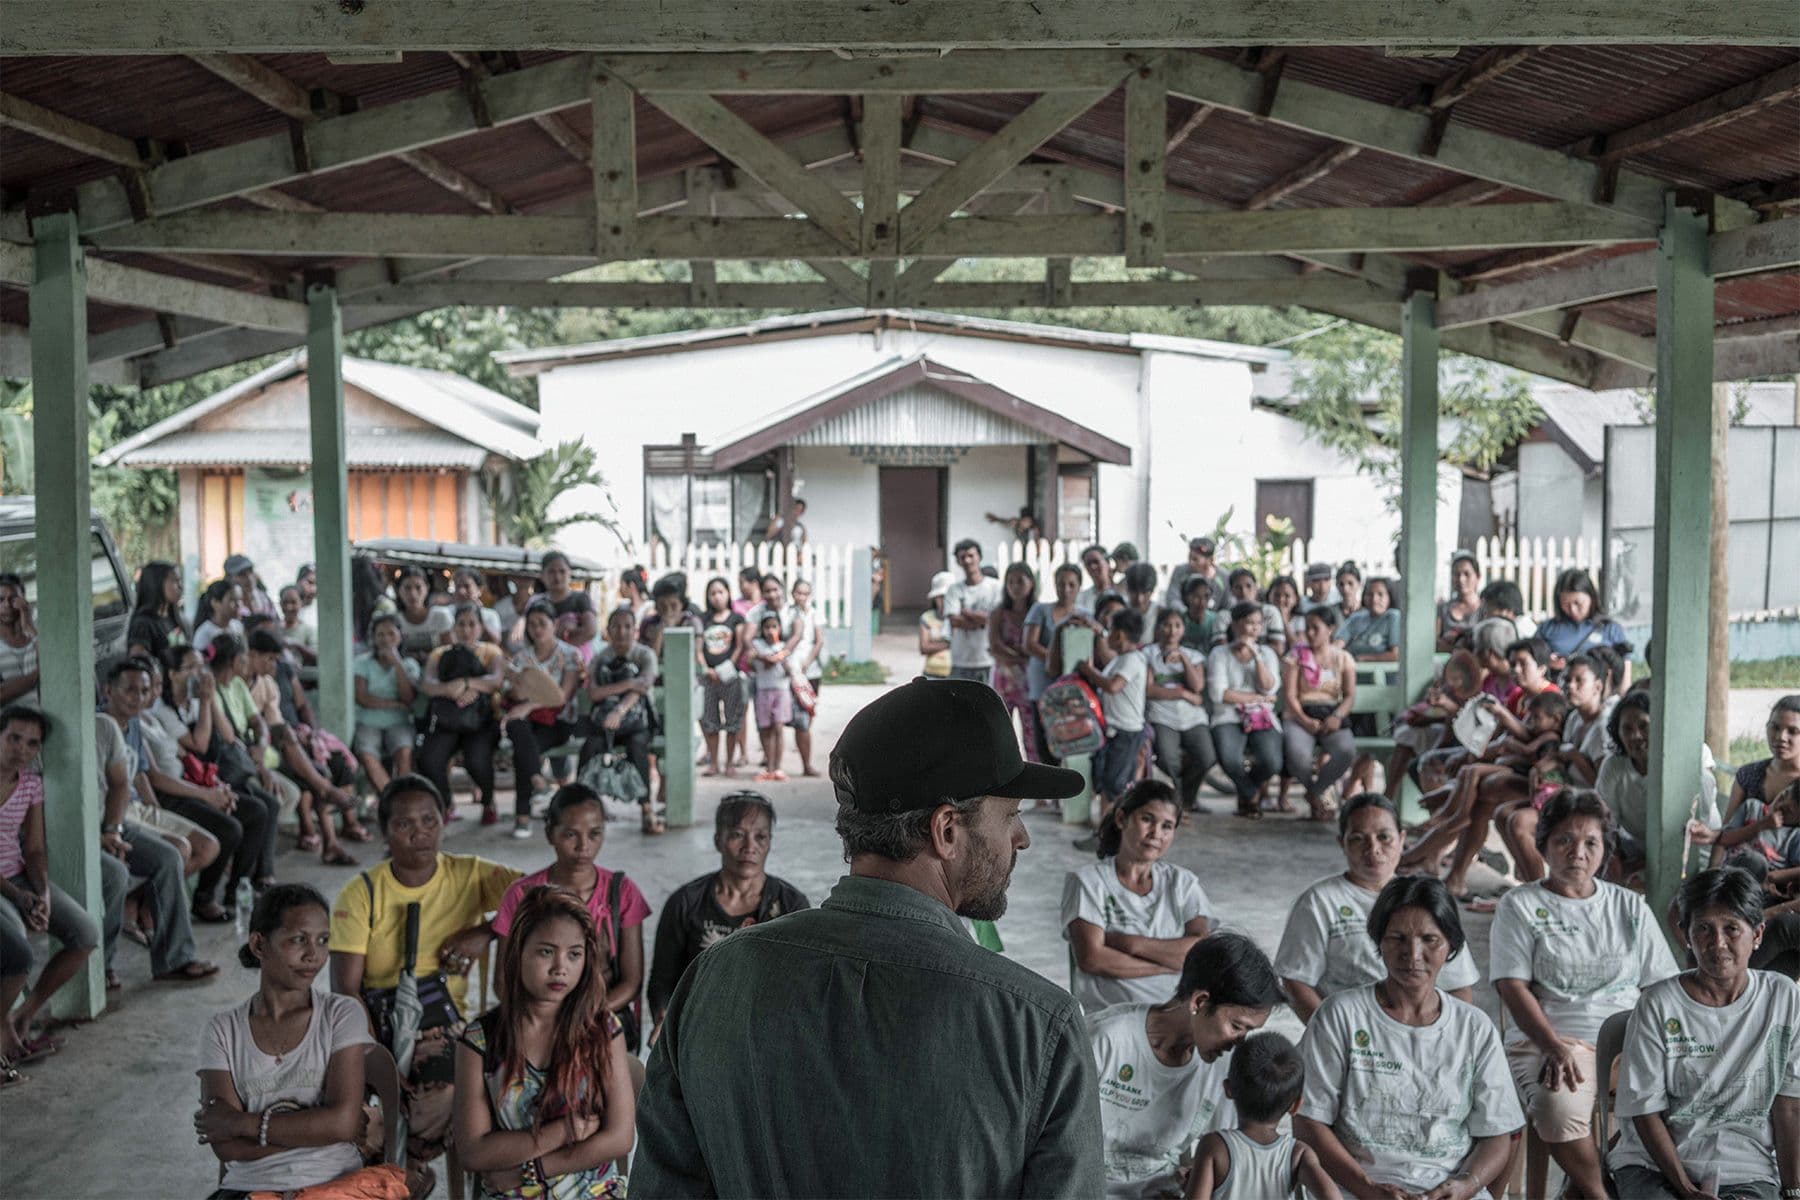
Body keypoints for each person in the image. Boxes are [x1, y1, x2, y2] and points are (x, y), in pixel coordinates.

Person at [632, 677, 1098, 1197]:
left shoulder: (713, 981)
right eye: (1010, 815)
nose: (1022, 837)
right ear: (946, 831)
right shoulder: (1038, 1027)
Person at [1490, 789, 1679, 1200]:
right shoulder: (1520, 905)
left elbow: (1661, 988)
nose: (1577, 852)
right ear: (1543, 845)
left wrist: (1647, 1049)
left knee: (1682, 1105)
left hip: (1629, 1045)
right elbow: (1511, 986)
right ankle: (1600, 1194)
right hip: (1554, 1041)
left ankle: (1576, 1190)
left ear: (1605, 850)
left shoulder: (1630, 907)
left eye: (1590, 842)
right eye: (1564, 841)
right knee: (1558, 1107)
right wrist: (1552, 1046)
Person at [329, 775, 522, 1162]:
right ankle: (400, 1158)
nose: (420, 833)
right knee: (350, 1108)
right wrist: (375, 1057)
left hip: (445, 1027)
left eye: (429, 820)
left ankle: (403, 1161)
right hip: (376, 1024)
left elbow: (537, 895)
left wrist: (486, 930)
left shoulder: (469, 874)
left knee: (459, 1093)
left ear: (444, 821)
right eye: (404, 824)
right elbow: (346, 991)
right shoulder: (363, 891)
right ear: (385, 832)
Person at [1296, 875, 1524, 1198]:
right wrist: (1368, 1188)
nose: (1412, 954)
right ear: (1378, 942)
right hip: (1351, 1187)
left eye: (1430, 939)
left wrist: (1467, 1185)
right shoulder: (1340, 1016)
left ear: (1451, 946)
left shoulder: (1475, 1028)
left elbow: (1498, 1133)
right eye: (1397, 938)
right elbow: (1308, 1123)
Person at [195, 884, 410, 1200]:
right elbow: (225, 1144)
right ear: (258, 944)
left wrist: (242, 1123)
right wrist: (323, 1129)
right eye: (298, 940)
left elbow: (343, 1121)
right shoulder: (222, 1031)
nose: (314, 955)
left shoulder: (340, 1014)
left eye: (323, 941)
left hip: (336, 1184)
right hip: (250, 1187)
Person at [1609, 867, 1800, 1198]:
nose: (1718, 944)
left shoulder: (1782, 997)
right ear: (1686, 935)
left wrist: (1794, 1190)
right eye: (1704, 930)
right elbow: (1645, 1111)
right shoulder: (1659, 1004)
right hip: (1654, 1166)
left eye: (1732, 929)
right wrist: (1686, 1189)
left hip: (1746, 1168)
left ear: (1757, 935)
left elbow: (1790, 1106)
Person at [454, 886, 635, 1200]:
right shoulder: (480, 1040)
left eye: (574, 954)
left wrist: (532, 1169)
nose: (560, 967)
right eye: (546, 951)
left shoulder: (603, 1031)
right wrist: (564, 1132)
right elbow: (473, 1151)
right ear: (518, 952)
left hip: (592, 1193)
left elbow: (619, 1138)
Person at [1086, 934, 1285, 1199]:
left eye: (1248, 1032)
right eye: (1236, 1026)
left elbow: (1216, 1154)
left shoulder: (1222, 1067)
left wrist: (1194, 1173)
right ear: (1199, 1002)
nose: (1239, 1042)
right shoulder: (1106, 1040)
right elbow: (1053, 1144)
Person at [1275, 794, 1480, 1022]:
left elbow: (1459, 986)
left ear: (1402, 840)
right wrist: (1334, 1035)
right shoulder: (1320, 902)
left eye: (1384, 837)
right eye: (1358, 838)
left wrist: (1440, 1038)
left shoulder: (1428, 900)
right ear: (1341, 843)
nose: (1373, 848)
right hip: (1352, 1032)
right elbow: (1295, 980)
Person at [647, 791, 809, 1044]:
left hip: (763, 1036)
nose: (749, 847)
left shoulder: (791, 905)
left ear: (770, 842)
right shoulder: (686, 902)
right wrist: (664, 1018)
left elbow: (800, 987)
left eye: (760, 837)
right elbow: (663, 981)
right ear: (717, 840)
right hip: (696, 1029)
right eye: (736, 835)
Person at [93, 674, 220, 985]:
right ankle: (103, 968)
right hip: (92, 824)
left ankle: (173, 958)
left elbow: (127, 782)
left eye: (144, 690)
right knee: (116, 874)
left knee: (170, 855)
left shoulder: (118, 726)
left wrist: (116, 827)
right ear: (108, 690)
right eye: (130, 689)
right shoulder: (90, 724)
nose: (138, 697)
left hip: (119, 816)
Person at [0, 707, 101, 1077]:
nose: (21, 750)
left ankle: (24, 1015)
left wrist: (41, 894)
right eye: (13, 738)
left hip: (20, 879)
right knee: (18, 955)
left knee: (85, 934)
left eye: (32, 744)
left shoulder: (30, 784)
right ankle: (2, 1031)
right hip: (5, 889)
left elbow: (35, 849)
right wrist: (17, 896)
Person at [1063, 779, 1212, 1013]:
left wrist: (1129, 944)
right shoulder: (1088, 881)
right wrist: (1171, 965)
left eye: (1167, 826)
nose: (1156, 833)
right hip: (1110, 1017)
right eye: (1147, 819)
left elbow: (1203, 954)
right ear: (1122, 819)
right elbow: (1092, 958)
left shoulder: (1183, 883)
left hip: (1173, 1018)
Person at [1186, 1031, 1342, 1200]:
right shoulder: (1298, 1154)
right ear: (1296, 1105)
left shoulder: (1213, 1146)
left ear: (1228, 1089)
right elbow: (1332, 1196)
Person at [417, 603, 507, 825]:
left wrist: (468, 685)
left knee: (477, 760)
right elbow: (428, 684)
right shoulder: (440, 653)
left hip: (481, 721)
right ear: (454, 627)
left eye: (472, 624)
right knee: (430, 759)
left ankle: (488, 801)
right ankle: (445, 804)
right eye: (461, 624)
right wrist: (449, 690)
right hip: (448, 719)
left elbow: (496, 681)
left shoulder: (491, 651)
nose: (466, 630)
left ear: (480, 626)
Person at [501, 600, 583, 839]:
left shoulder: (569, 654)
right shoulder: (521, 658)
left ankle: (523, 816)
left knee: (524, 747)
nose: (537, 629)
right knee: (519, 729)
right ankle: (537, 780)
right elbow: (514, 693)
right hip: (529, 722)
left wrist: (529, 704)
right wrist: (519, 694)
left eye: (542, 623)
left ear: (555, 624)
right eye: (532, 624)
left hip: (560, 721)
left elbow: (562, 697)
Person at [580, 606, 663, 834]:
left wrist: (620, 710)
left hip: (638, 720)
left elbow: (643, 686)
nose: (622, 632)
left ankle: (647, 808)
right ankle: (586, 808)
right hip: (604, 721)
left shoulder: (645, 655)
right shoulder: (601, 657)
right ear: (608, 630)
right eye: (616, 626)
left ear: (635, 630)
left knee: (638, 746)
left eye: (627, 626)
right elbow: (594, 694)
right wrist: (627, 684)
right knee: (590, 748)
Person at [1705, 694, 1800, 873]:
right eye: (1775, 727)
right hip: (1736, 874)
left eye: (1793, 731)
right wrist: (1712, 873)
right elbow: (1724, 835)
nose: (1781, 737)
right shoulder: (1750, 775)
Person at [1208, 602, 1283, 820]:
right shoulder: (1219, 654)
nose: (1253, 628)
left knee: (1272, 761)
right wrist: (1258, 698)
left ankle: (1246, 796)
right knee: (1229, 758)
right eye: (1248, 623)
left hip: (1261, 716)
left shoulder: (1267, 653)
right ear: (1235, 624)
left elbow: (1269, 685)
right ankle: (1250, 795)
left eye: (1258, 624)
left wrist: (1256, 656)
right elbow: (1219, 694)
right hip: (1228, 715)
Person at [1282, 607, 1357, 822]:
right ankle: (1314, 793)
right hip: (1300, 714)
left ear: (1331, 629)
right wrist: (1304, 720)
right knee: (1298, 755)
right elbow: (1290, 695)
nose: (1310, 633)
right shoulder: (1295, 657)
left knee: (1346, 751)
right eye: (1307, 628)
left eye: (1316, 628)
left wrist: (1337, 716)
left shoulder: (1343, 658)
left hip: (1331, 712)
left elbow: (1350, 696)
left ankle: (1315, 792)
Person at [1078, 609, 1150, 827]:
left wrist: (1088, 671)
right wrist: (1098, 631)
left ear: (1119, 636)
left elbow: (1112, 686)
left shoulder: (1132, 660)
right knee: (1111, 781)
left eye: (1110, 631)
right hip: (1117, 731)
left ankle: (1108, 831)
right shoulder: (1122, 659)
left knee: (1114, 784)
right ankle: (1106, 830)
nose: (1107, 636)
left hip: (1125, 732)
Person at [1145, 606, 1214, 814]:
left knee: (1206, 757)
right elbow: (1149, 689)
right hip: (1162, 716)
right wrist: (1182, 694)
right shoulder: (1148, 653)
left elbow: (1198, 686)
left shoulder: (1193, 655)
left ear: (1183, 629)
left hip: (1192, 718)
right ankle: (1178, 799)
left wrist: (1183, 659)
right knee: (1167, 759)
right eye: (1167, 625)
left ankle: (1186, 799)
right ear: (1158, 628)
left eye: (1177, 625)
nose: (1172, 630)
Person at [352, 612, 419, 795]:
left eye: (391, 634)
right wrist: (394, 705)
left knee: (404, 751)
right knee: (366, 754)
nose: (386, 639)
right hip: (368, 721)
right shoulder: (362, 663)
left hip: (399, 722)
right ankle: (390, 797)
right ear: (373, 637)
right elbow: (362, 698)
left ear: (400, 636)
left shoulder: (409, 664)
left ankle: (402, 797)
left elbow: (408, 698)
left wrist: (397, 664)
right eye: (380, 634)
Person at [697, 576, 748, 776]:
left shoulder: (736, 619)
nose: (717, 597)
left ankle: (729, 763)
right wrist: (706, 668)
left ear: (728, 594)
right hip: (708, 677)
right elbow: (698, 648)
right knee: (709, 720)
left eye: (720, 592)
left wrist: (728, 666)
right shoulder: (703, 620)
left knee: (732, 720)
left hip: (729, 676)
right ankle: (713, 763)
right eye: (712, 593)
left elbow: (740, 645)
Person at [1535, 567, 1630, 675]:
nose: (1573, 610)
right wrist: (1547, 662)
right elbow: (1532, 661)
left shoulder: (1610, 629)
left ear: (1592, 597)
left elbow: (1625, 673)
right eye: (1566, 604)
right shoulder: (1547, 629)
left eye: (1578, 603)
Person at [990, 563, 1040, 760]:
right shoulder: (999, 613)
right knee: (1003, 732)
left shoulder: (1038, 612)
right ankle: (1007, 776)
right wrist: (1022, 655)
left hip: (1030, 681)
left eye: (1020, 581)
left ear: (1031, 583)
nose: (1015, 586)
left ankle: (1035, 777)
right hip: (1004, 681)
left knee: (1031, 733)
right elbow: (995, 647)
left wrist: (1013, 652)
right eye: (1010, 581)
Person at [944, 538, 1004, 684]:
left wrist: (968, 614)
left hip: (987, 659)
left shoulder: (995, 587)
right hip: (960, 660)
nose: (967, 560)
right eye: (962, 557)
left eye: (971, 556)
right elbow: (954, 621)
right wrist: (982, 621)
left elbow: (995, 619)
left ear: (979, 557)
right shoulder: (954, 590)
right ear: (958, 561)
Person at [749, 612, 792, 784]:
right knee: (766, 729)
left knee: (779, 727)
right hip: (763, 690)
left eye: (774, 626)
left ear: (779, 628)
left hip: (781, 690)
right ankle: (770, 765)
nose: (770, 631)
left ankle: (778, 767)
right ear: (762, 629)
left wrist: (781, 658)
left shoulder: (783, 647)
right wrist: (764, 657)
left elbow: (789, 670)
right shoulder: (757, 646)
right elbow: (754, 664)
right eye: (767, 627)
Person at [127, 560, 189, 660]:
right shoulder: (143, 623)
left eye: (180, 580)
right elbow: (138, 660)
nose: (180, 586)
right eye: (175, 581)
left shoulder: (173, 617)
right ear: (156, 584)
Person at [392, 566, 453, 666]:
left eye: (418, 587)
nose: (413, 594)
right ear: (399, 590)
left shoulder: (441, 615)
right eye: (407, 588)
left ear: (427, 588)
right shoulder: (394, 620)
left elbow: (450, 651)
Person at [1337, 575, 1399, 662]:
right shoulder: (1356, 618)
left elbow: (1396, 655)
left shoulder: (1393, 617)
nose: (1374, 599)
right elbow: (1337, 644)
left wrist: (1364, 658)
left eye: (1380, 594)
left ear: (1389, 597)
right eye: (1370, 594)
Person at [0, 575, 39, 707]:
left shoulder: (35, 637)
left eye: (13, 599)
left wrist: (29, 626)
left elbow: (57, 668)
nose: (7, 605)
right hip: (10, 725)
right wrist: (40, 673)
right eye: (0, 600)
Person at [1437, 550, 1483, 651]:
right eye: (1456, 574)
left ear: (1478, 577)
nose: (1461, 579)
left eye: (1467, 574)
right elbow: (1435, 641)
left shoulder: (1484, 609)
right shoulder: (1443, 609)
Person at [1163, 536, 1223, 611]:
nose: (1191, 563)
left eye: (1195, 559)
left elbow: (1229, 606)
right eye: (1189, 557)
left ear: (1210, 560)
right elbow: (1172, 598)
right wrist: (1187, 615)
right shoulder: (1180, 571)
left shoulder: (1223, 577)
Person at [192, 579, 245, 656]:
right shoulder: (204, 634)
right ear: (215, 603)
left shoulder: (238, 626)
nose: (238, 605)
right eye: (232, 600)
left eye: (240, 600)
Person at [450, 568, 503, 644]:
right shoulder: (447, 612)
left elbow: (496, 641)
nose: (461, 591)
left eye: (467, 586)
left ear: (480, 589)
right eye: (458, 586)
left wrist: (479, 615)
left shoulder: (490, 615)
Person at [918, 569, 954, 679]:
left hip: (955, 675)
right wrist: (949, 644)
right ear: (935, 598)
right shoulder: (927, 618)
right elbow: (924, 647)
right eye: (941, 597)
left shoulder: (959, 619)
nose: (944, 601)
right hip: (932, 674)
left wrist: (936, 645)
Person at [224, 553, 277, 620]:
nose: (249, 578)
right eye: (242, 574)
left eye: (250, 571)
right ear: (229, 578)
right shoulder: (228, 606)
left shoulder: (263, 598)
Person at [275, 585, 318, 668]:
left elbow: (316, 656)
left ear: (301, 603)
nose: (289, 607)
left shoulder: (308, 630)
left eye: (293, 602)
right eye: (285, 602)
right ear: (280, 604)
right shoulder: (274, 628)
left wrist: (297, 645)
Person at [1077, 543, 1115, 611]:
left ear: (1107, 563)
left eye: (1096, 562)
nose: (1093, 567)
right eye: (1088, 564)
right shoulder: (1081, 598)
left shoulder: (1122, 593)